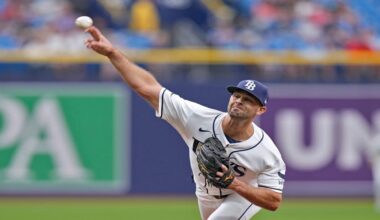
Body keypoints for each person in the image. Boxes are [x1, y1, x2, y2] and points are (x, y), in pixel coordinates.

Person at [84, 26, 286, 219]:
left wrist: (235, 184)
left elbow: (274, 201)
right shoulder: (197, 117)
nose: (239, 101)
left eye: (248, 100)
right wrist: (112, 53)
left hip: (242, 196)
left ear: (261, 110)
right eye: (237, 96)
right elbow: (148, 87)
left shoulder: (267, 152)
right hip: (205, 195)